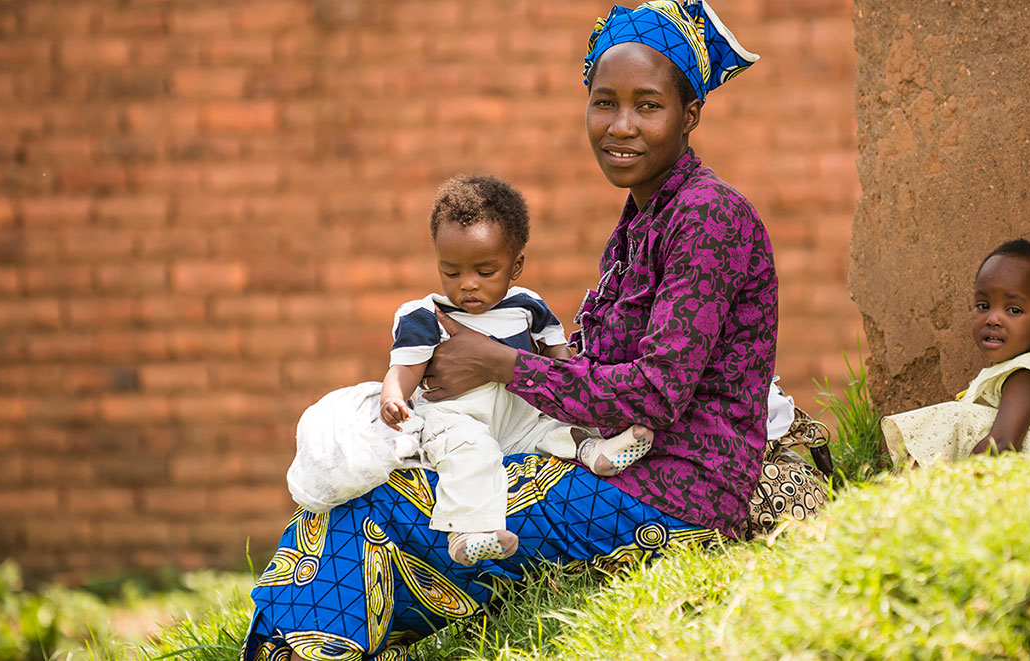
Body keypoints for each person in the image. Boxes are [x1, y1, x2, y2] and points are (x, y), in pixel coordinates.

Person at [243, 2, 774, 658]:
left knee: (374, 508)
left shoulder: (706, 218)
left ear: (690, 114)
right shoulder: (645, 217)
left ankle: (296, 646)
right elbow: (597, 372)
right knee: (401, 478)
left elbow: (657, 394)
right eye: (604, 102)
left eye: (649, 105)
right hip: (625, 468)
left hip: (674, 491)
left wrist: (498, 363)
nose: (622, 126)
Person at [379, 174, 653, 566]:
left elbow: (562, 358)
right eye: (452, 272)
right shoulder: (426, 314)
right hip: (458, 418)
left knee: (550, 425)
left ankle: (595, 451)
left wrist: (578, 379)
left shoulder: (528, 305)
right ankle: (468, 534)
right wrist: (394, 397)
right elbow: (405, 366)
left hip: (519, 415)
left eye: (485, 272)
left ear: (516, 265)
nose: (468, 285)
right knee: (468, 454)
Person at [882, 239, 1030, 467]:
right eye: (983, 305)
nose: (992, 319)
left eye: (1013, 310)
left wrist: (955, 483)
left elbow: (1003, 443)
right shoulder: (1009, 371)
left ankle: (921, 488)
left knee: (955, 417)